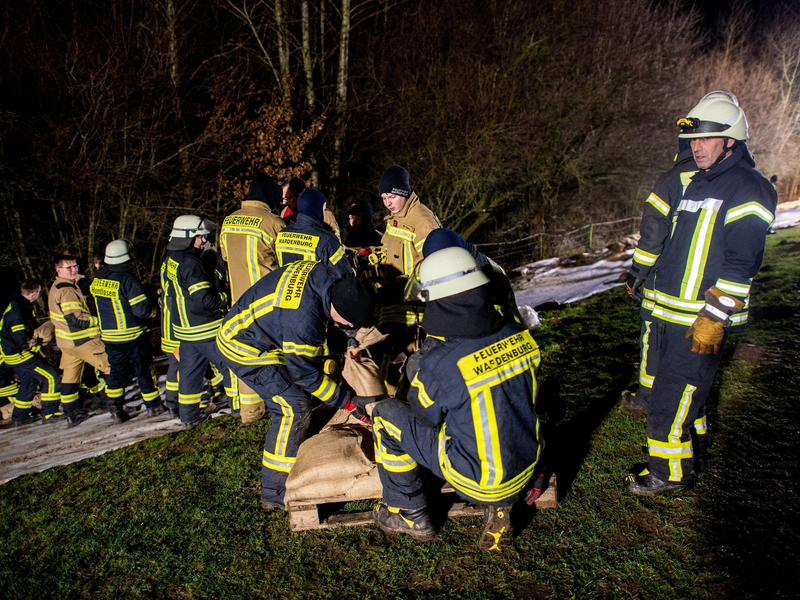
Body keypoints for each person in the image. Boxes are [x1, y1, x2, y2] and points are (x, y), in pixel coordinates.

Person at [624, 94, 777, 495]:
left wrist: (716, 314)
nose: (696, 146)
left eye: (706, 139)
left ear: (731, 141)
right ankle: (696, 450)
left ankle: (670, 476)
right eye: (692, 140)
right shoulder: (699, 180)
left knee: (669, 400)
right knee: (690, 394)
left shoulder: (750, 187)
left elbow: (743, 260)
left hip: (701, 319)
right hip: (674, 313)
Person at [370, 247, 544, 551]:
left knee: (385, 415)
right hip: (527, 463)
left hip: (474, 478)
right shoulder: (519, 334)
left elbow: (424, 416)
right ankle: (503, 500)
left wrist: (418, 374)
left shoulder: (440, 364)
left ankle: (409, 513)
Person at [216, 261, 375, 509]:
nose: (350, 327)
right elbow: (305, 375)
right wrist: (348, 402)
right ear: (337, 306)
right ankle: (275, 490)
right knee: (293, 407)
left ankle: (297, 450)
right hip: (243, 347)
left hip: (264, 333)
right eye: (348, 322)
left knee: (303, 396)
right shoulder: (303, 322)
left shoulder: (328, 275)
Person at [162, 215, 231, 428]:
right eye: (202, 237)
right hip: (205, 330)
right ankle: (240, 407)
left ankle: (190, 417)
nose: (204, 240)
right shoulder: (192, 263)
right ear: (189, 237)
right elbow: (206, 300)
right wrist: (226, 298)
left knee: (190, 375)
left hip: (185, 331)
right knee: (230, 365)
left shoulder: (170, 258)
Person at [91, 239, 164, 417]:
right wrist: (156, 311)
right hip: (133, 337)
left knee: (116, 373)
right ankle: (153, 405)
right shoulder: (128, 280)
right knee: (144, 370)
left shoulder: (99, 279)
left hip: (110, 338)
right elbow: (142, 311)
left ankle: (115, 409)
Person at [49, 254, 117, 422]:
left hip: (67, 343)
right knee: (112, 367)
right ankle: (117, 406)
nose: (74, 270)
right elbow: (77, 320)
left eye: (75, 266)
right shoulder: (67, 290)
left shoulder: (57, 287)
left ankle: (71, 414)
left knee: (70, 378)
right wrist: (100, 320)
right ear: (58, 270)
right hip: (83, 340)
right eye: (69, 267)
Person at [0, 280, 78, 426]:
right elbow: (21, 339)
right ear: (34, 293)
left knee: (29, 382)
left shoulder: (18, 305)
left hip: (12, 356)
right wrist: (36, 345)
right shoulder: (17, 312)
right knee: (52, 376)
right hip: (20, 356)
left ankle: (19, 416)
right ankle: (50, 413)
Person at [275, 188, 354, 278]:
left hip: (285, 291)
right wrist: (356, 270)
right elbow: (346, 276)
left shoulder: (281, 235)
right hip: (316, 292)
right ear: (319, 209)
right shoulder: (327, 240)